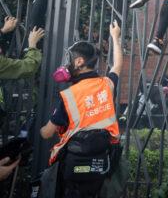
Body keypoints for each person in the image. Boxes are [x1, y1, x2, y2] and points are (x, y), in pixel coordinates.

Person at [40, 21, 122, 197]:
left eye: (69, 60)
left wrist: (37, 128)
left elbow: (47, 133)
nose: (66, 64)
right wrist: (116, 37)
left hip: (74, 168)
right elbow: (117, 66)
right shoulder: (106, 85)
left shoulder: (70, 95)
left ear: (79, 62)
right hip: (102, 163)